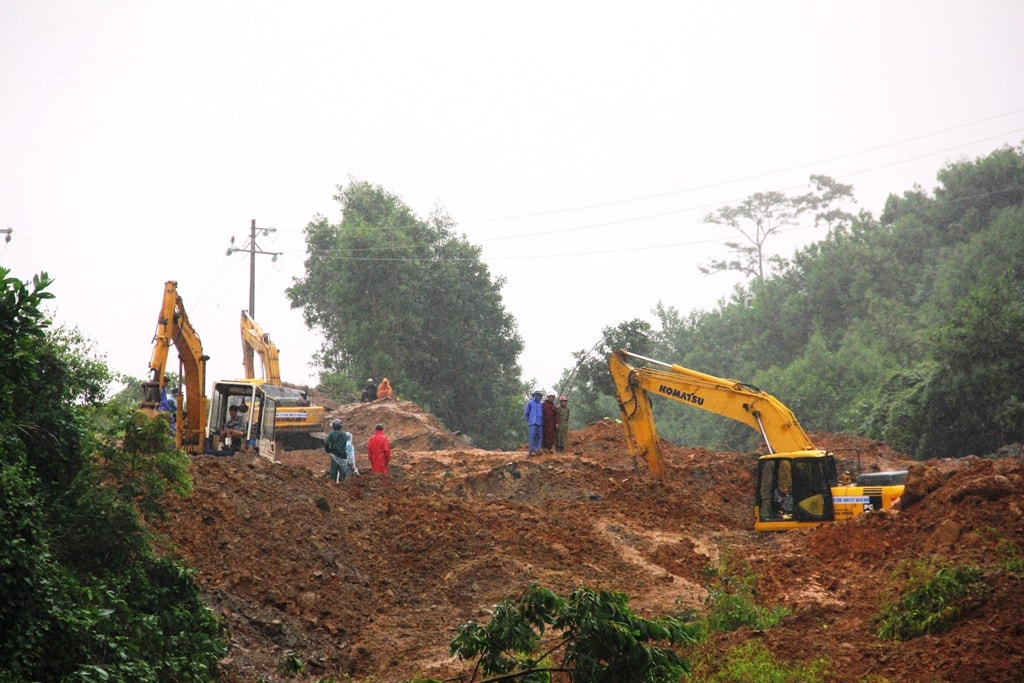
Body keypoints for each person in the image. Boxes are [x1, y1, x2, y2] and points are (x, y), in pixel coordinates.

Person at [523, 390, 544, 456]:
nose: (538, 396)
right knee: (532, 437)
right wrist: (529, 420)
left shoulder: (541, 404)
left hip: (540, 422)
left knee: (539, 436)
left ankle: (537, 450)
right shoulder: (530, 403)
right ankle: (531, 450)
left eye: (539, 395)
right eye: (537, 395)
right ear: (534, 396)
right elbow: (526, 413)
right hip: (532, 422)